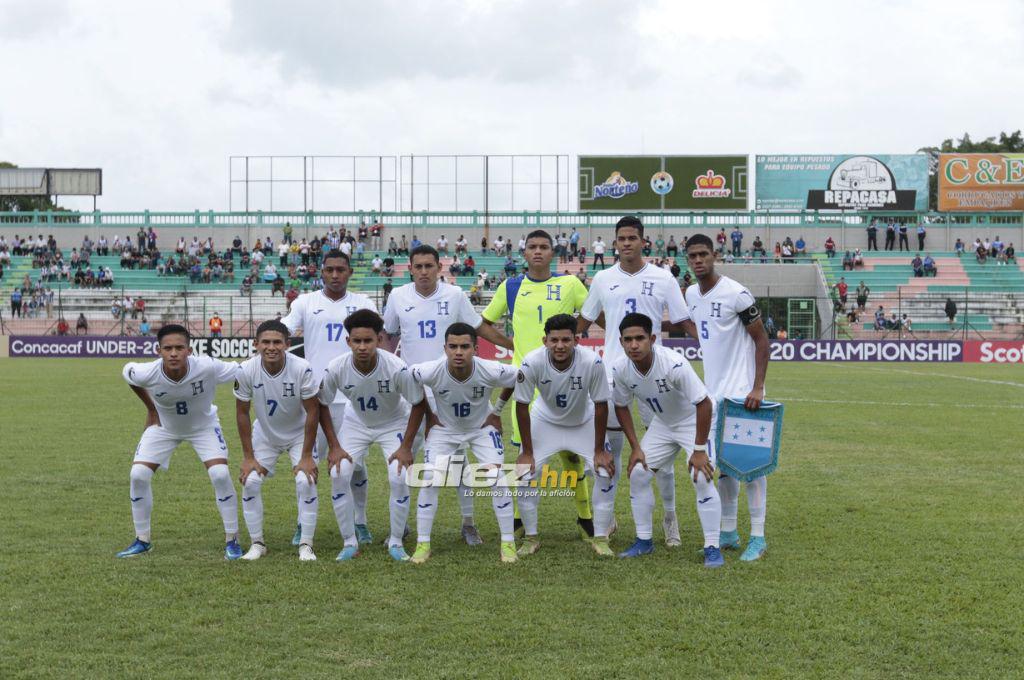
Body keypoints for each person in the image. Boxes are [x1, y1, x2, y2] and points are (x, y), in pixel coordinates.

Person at [383, 244, 514, 544]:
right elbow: (387, 335)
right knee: (404, 459)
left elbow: (478, 327)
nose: (424, 271)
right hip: (414, 392)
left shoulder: (454, 295)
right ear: (411, 268)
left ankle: (468, 523)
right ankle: (399, 527)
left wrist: (511, 345)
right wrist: (390, 371)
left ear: (439, 268)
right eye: (419, 266)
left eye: (430, 266)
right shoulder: (397, 297)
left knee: (459, 458)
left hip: (454, 387)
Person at [577, 216, 691, 547]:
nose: (626, 243)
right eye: (621, 238)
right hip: (614, 377)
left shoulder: (663, 277)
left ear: (644, 242)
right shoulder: (601, 278)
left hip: (657, 377)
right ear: (615, 243)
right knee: (610, 451)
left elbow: (682, 321)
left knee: (664, 458)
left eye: (632, 238)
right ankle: (607, 518)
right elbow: (584, 321)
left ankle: (670, 517)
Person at [481, 230, 595, 541]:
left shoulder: (570, 284)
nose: (538, 252)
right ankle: (520, 519)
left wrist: (573, 336)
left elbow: (592, 312)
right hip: (526, 382)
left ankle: (585, 516)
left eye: (544, 247)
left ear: (553, 253)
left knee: (571, 456)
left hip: (563, 377)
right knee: (525, 455)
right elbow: (483, 323)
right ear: (524, 252)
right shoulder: (512, 285)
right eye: (532, 247)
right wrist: (511, 344)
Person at [116, 324, 242, 559]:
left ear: (189, 350)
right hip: (165, 428)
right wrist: (151, 408)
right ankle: (142, 540)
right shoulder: (146, 372)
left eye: (179, 348)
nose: (173, 353)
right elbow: (128, 374)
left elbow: (243, 371)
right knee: (138, 476)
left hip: (203, 427)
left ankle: (232, 539)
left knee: (220, 475)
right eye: (168, 348)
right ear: (159, 351)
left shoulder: (208, 366)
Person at [682, 233, 771, 562]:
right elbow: (703, 329)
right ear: (687, 260)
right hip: (711, 397)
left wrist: (758, 386)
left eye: (703, 254)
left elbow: (762, 340)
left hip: (743, 395)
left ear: (714, 255)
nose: (698, 260)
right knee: (723, 469)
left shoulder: (737, 293)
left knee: (752, 468)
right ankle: (730, 532)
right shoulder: (691, 293)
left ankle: (758, 538)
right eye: (692, 256)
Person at [282, 250, 377, 546]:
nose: (335, 275)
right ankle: (302, 522)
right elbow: (284, 328)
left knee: (354, 466)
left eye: (340, 270)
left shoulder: (363, 303)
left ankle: (359, 521)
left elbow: (379, 336)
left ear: (349, 272)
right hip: (315, 398)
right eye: (330, 270)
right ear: (321, 272)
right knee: (307, 463)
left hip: (353, 401)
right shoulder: (305, 303)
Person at [611, 312, 722, 566]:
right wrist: (636, 447)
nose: (634, 345)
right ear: (621, 342)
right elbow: (621, 405)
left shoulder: (673, 364)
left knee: (701, 476)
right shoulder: (620, 368)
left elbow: (703, 403)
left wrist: (699, 449)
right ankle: (644, 541)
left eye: (640, 338)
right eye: (628, 340)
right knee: (639, 473)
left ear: (652, 339)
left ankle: (712, 547)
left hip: (696, 420)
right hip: (663, 423)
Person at [318, 310, 428, 562]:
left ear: (379, 339)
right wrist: (334, 446)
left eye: (368, 341)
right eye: (357, 341)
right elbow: (321, 403)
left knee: (399, 476)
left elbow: (418, 403)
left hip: (394, 422)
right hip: (356, 422)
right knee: (338, 473)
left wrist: (406, 447)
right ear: (348, 342)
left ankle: (397, 542)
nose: (362, 346)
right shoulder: (336, 368)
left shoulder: (396, 367)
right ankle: (349, 542)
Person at [404, 323, 518, 563]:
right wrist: (428, 412)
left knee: (497, 479)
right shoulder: (430, 370)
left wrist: (496, 411)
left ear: (475, 349)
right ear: (444, 348)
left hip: (481, 429)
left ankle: (508, 543)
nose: (458, 352)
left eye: (465, 346)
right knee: (429, 479)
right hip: (444, 430)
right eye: (453, 346)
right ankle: (423, 544)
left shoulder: (490, 369)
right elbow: (411, 377)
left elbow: (518, 376)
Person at [513, 314, 610, 557]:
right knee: (525, 474)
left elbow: (600, 405)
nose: (560, 345)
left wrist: (599, 450)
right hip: (545, 422)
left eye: (566, 340)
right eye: (554, 340)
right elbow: (521, 406)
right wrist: (526, 452)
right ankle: (531, 537)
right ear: (545, 340)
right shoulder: (531, 361)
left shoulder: (592, 363)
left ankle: (601, 537)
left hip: (582, 422)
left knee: (605, 471)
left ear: (576, 340)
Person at [234, 321, 321, 562]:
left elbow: (313, 412)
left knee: (306, 481)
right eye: (266, 342)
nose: (271, 347)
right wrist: (248, 457)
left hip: (298, 435)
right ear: (256, 345)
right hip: (265, 435)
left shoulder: (302, 368)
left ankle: (306, 545)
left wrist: (305, 456)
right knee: (250, 482)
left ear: (287, 345)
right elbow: (242, 412)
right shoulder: (245, 370)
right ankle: (257, 543)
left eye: (277, 342)